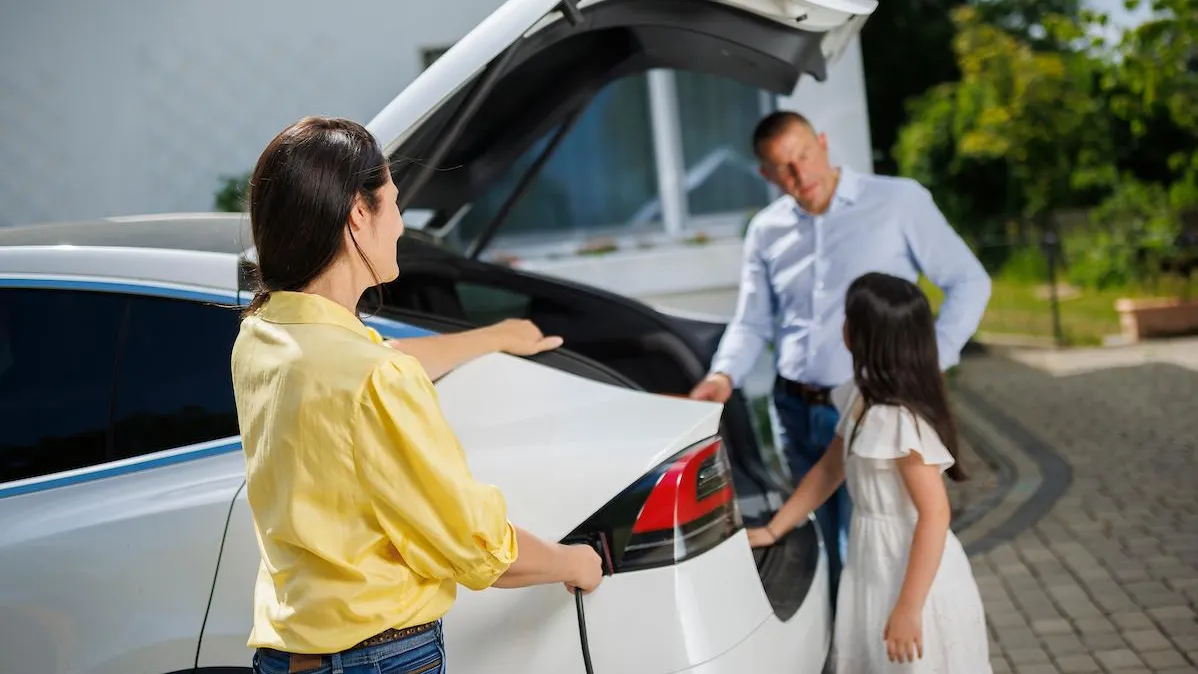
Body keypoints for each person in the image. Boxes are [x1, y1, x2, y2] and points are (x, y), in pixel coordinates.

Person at [231, 116, 604, 674]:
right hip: (381, 658)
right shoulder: (372, 378)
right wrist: (574, 562)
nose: (402, 225)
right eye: (395, 203)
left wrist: (495, 337)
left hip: (286, 657)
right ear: (359, 212)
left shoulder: (262, 338)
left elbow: (375, 364)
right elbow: (472, 544)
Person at [689, 110, 991, 598]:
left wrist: (926, 363)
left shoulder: (898, 201)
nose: (800, 175)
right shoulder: (766, 231)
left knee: (868, 549)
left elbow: (969, 281)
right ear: (765, 174)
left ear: (823, 143)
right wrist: (722, 375)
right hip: (793, 410)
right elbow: (751, 321)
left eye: (804, 156)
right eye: (783, 168)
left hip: (874, 411)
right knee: (818, 549)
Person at [748, 272, 992, 673]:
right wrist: (776, 528)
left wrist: (910, 607)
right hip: (873, 559)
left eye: (847, 318)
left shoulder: (899, 420)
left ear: (864, 338)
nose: (841, 326)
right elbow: (828, 471)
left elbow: (935, 514)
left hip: (911, 571)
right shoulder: (860, 397)